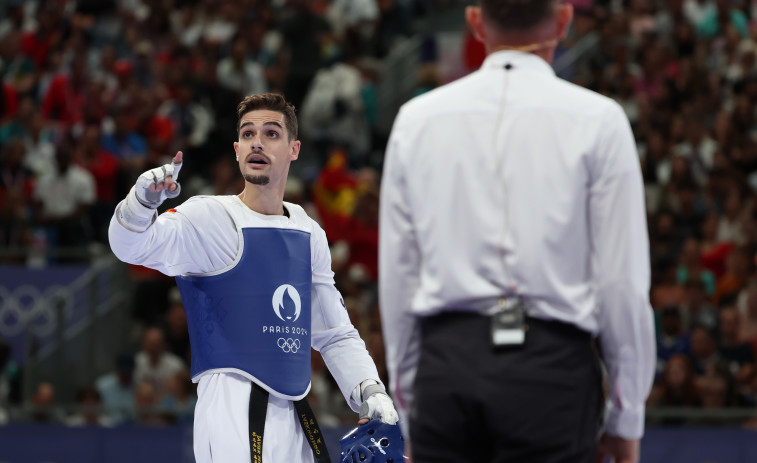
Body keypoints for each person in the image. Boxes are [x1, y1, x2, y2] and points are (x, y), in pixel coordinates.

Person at [378, 1, 656, 462]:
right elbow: (621, 283)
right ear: (564, 18)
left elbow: (399, 278)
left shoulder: (416, 121)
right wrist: (627, 415)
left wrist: (409, 404)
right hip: (551, 373)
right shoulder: (600, 121)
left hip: (447, 370)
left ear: (474, 21)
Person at [109, 92, 398, 462]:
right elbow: (131, 247)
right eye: (247, 134)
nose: (257, 142)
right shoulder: (210, 217)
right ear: (236, 148)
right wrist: (141, 203)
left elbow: (334, 331)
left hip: (295, 409)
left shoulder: (309, 231)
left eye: (271, 134)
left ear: (294, 149)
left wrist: (370, 389)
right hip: (230, 403)